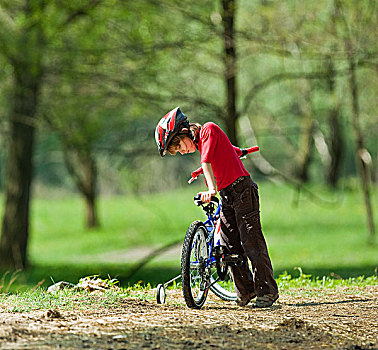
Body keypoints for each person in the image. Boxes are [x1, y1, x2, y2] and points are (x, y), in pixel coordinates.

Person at [155, 107, 279, 307]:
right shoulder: (202, 142)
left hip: (242, 190)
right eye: (177, 150)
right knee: (229, 244)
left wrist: (210, 188)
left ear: (184, 131)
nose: (181, 150)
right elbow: (226, 152)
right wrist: (235, 154)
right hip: (228, 195)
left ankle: (267, 291)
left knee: (251, 241)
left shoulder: (208, 130)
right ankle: (246, 291)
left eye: (179, 145)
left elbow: (207, 160)